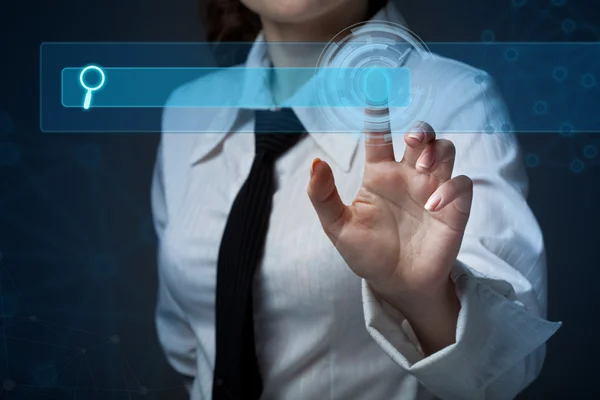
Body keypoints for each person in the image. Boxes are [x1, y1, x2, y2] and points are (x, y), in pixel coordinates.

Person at [152, 0, 561, 399]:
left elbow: (503, 370)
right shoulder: (187, 112)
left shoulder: (453, 98)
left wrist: (425, 298)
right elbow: (188, 343)